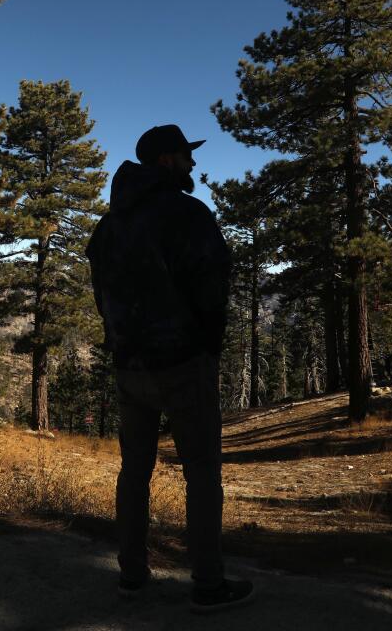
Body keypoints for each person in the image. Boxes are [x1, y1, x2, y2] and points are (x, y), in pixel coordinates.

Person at [86, 124, 255, 614]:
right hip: (182, 365)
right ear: (166, 161)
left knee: (134, 472)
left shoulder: (108, 225)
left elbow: (102, 295)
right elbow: (212, 292)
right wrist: (206, 349)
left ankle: (132, 576)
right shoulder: (189, 214)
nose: (193, 165)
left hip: (129, 368)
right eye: (186, 156)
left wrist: (122, 344)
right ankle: (207, 585)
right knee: (202, 474)